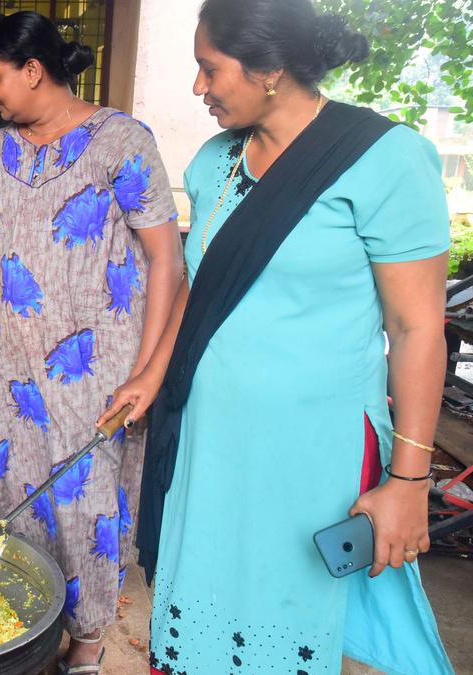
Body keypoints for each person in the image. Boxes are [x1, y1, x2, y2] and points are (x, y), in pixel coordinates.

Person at [97, 1, 454, 672]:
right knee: (205, 588)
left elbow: (416, 329)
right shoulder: (214, 163)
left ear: (271, 69)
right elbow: (202, 289)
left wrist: (408, 481)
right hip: (208, 439)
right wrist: (151, 374)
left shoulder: (383, 160)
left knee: (291, 606)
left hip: (312, 451)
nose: (198, 89)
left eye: (210, 70)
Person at [0, 12, 182, 673]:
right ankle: (28, 621)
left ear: (33, 71)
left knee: (85, 500)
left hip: (101, 364)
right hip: (18, 361)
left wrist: (149, 372)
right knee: (16, 493)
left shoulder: (120, 143)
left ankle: (88, 639)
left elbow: (168, 261)